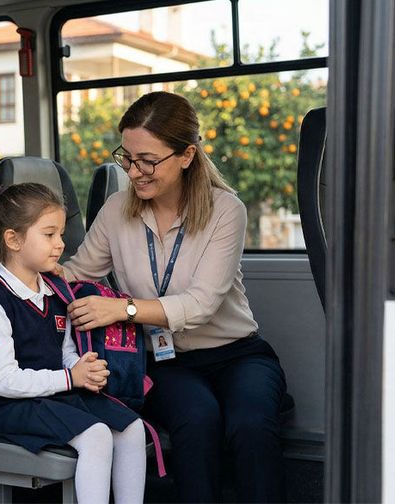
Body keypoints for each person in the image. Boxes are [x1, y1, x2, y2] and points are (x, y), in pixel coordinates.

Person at [61, 91, 287, 502]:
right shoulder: (115, 211)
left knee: (250, 425)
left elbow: (201, 304)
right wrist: (24, 265)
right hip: (167, 361)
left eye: (148, 160)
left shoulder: (226, 210)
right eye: (127, 158)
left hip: (237, 353)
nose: (134, 171)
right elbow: (76, 273)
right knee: (197, 419)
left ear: (186, 156)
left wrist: (123, 309)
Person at [0, 182, 147, 503]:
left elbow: (65, 351)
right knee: (97, 436)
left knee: (132, 428)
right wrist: (68, 378)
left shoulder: (55, 291)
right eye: (49, 235)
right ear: (13, 239)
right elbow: (2, 380)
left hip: (49, 393)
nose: (60, 244)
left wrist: (81, 369)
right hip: (4, 405)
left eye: (61, 235)